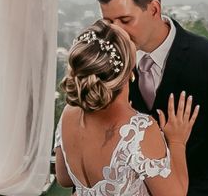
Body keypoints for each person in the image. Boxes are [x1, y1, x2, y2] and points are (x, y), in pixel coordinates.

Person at [94, 0, 208, 196]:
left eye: (125, 20)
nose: (116, 32)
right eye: (108, 22)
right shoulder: (106, 64)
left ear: (154, 9)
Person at [54, 19, 199, 196]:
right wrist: (177, 141)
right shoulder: (139, 130)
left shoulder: (69, 112)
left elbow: (64, 178)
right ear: (129, 68)